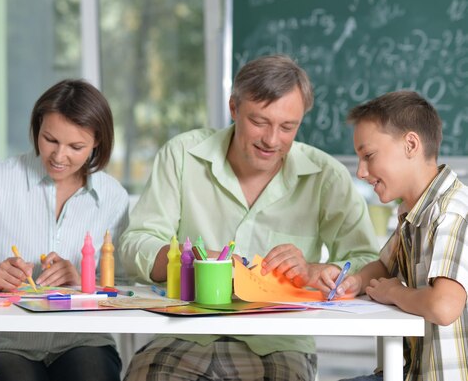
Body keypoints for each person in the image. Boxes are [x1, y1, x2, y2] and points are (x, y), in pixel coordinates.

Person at [118, 54, 379, 381]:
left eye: (288, 127)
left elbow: (367, 258)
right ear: (233, 108)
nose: (272, 140)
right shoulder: (182, 155)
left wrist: (318, 270)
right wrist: (190, 260)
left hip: (277, 342)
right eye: (259, 122)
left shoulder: (326, 176)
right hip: (184, 332)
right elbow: (135, 243)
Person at [0, 79, 129, 381]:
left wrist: (85, 279)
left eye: (76, 146)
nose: (59, 156)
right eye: (50, 140)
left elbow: (126, 283)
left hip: (84, 340)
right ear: (37, 128)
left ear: (97, 142)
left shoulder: (113, 196)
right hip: (4, 343)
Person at [336, 91, 468, 380]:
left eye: (368, 156)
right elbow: (384, 266)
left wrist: (393, 293)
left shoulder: (449, 213)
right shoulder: (413, 212)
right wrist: (355, 282)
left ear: (411, 144)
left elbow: (444, 307)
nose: (360, 172)